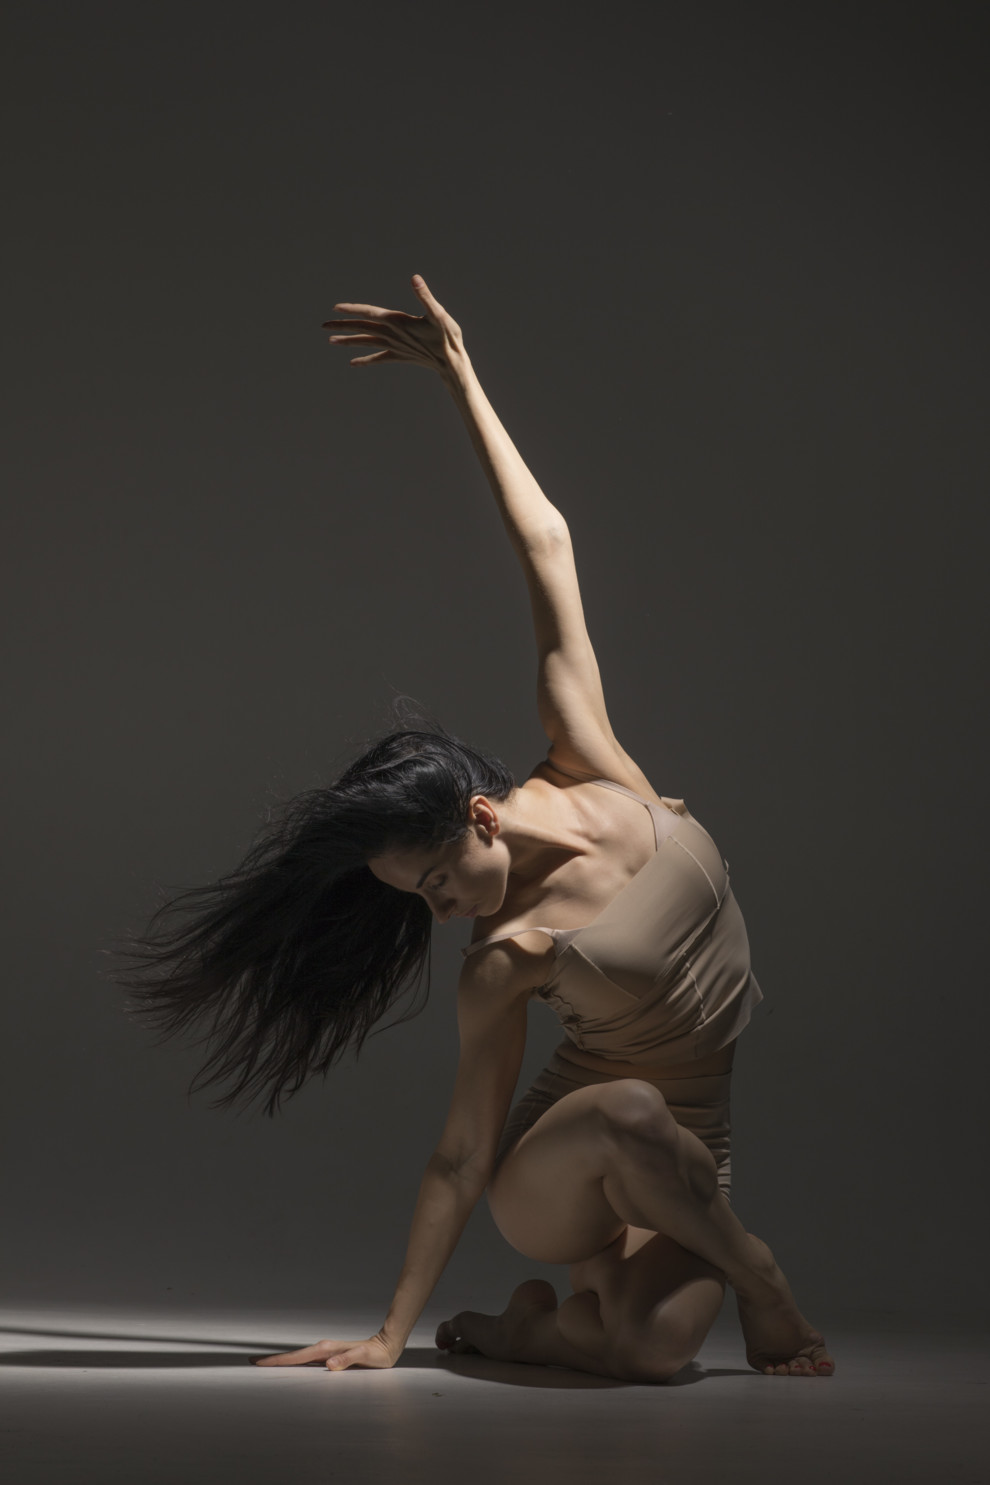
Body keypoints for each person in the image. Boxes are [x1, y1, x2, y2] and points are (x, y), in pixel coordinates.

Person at [118, 275, 834, 1382]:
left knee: (648, 1352)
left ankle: (517, 1328)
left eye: (438, 880)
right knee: (630, 1107)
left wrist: (461, 375)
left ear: (483, 815)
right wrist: (387, 1337)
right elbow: (461, 1156)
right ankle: (765, 1282)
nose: (445, 912)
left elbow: (548, 544)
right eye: (424, 902)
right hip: (568, 1167)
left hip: (694, 1155)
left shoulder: (591, 756)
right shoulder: (503, 961)